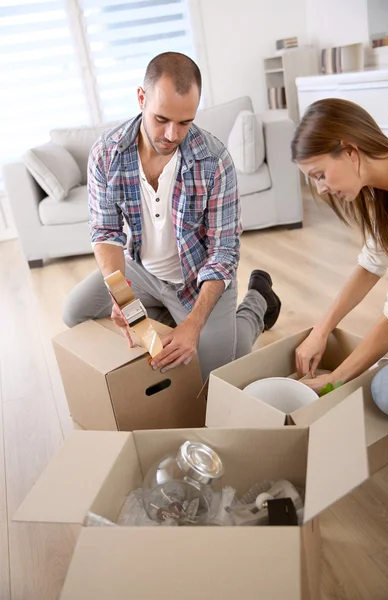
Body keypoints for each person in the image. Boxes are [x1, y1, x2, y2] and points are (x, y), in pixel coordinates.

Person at [63, 52, 281, 381]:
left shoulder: (214, 160)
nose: (171, 134)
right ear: (141, 98)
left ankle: (257, 304)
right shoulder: (107, 153)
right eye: (161, 119)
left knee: (216, 376)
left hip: (198, 281)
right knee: (73, 312)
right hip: (141, 271)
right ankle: (166, 311)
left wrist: (193, 324)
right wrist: (122, 296)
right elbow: (106, 232)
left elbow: (224, 252)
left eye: (184, 122)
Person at [290, 97, 388, 418]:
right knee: (382, 356)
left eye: (320, 174)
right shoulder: (386, 193)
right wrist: (320, 330)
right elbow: (370, 265)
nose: (321, 189)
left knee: (386, 390)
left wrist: (333, 380)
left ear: (350, 151)